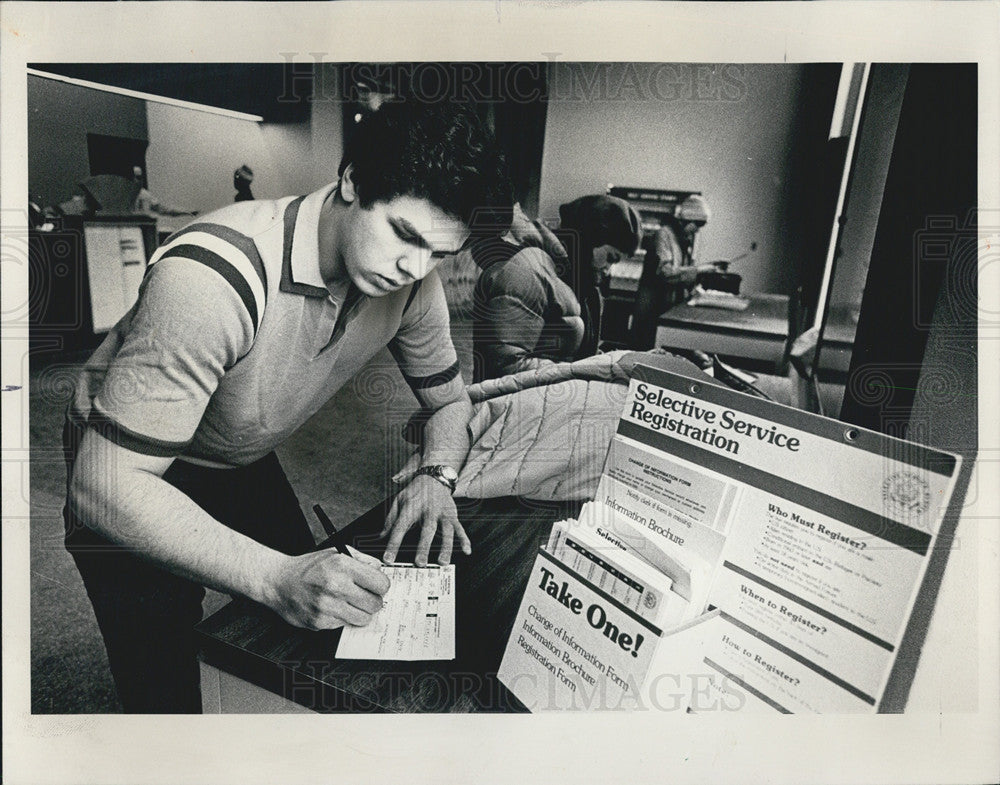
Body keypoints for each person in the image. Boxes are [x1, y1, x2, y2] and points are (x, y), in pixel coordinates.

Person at [63, 102, 512, 712]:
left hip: (234, 449)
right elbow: (102, 486)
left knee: (314, 624)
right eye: (404, 234)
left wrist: (438, 474)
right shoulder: (214, 277)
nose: (415, 267)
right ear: (351, 181)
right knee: (162, 690)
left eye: (438, 253)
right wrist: (272, 577)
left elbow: (451, 403)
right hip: (128, 465)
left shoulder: (411, 282)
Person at [471, 194, 642, 382]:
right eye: (611, 258)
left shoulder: (577, 281)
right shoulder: (528, 271)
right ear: (590, 239)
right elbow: (506, 365)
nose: (609, 270)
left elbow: (575, 354)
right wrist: (583, 372)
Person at [131, 166, 198, 217]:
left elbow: (165, 210)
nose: (137, 181)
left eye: (139, 178)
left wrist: (185, 212)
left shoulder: (145, 195)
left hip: (142, 228)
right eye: (135, 177)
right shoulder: (122, 195)